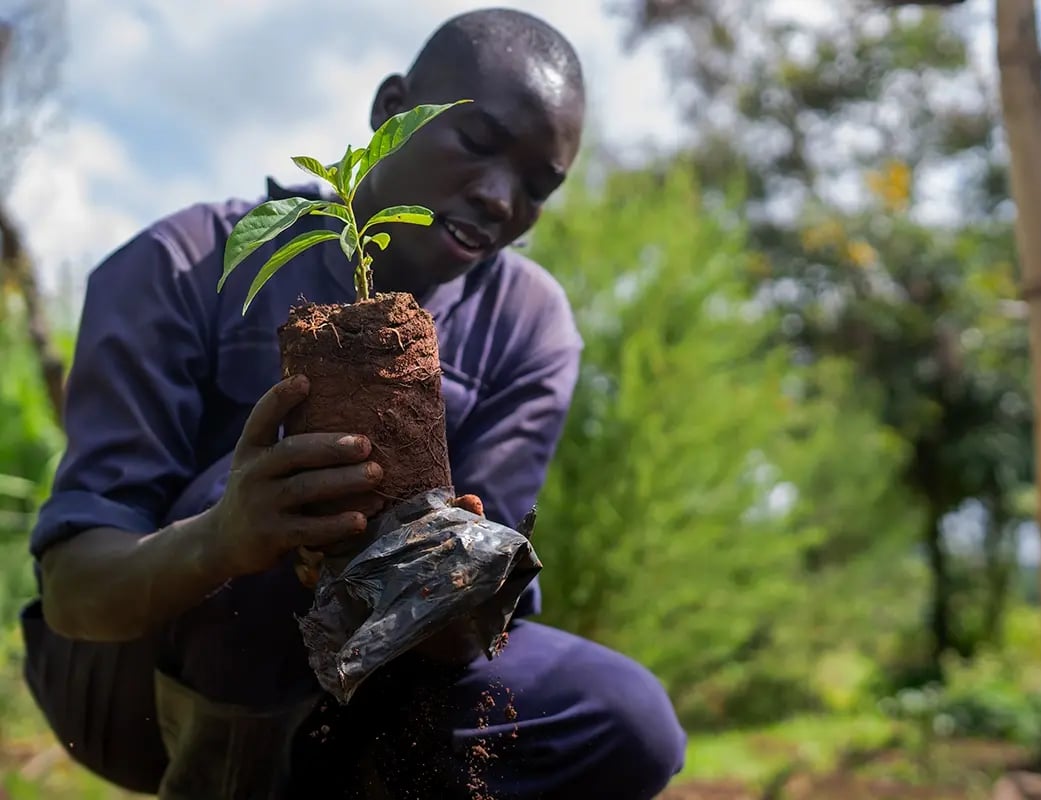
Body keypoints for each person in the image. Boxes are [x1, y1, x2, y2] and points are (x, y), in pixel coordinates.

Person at [20, 8, 686, 799]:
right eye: (476, 142)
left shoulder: (529, 326)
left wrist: (459, 588)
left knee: (626, 721)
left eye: (539, 186)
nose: (505, 199)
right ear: (389, 109)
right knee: (301, 504)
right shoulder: (185, 263)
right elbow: (73, 591)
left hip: (367, 684)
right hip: (130, 681)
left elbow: (478, 631)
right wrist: (225, 538)